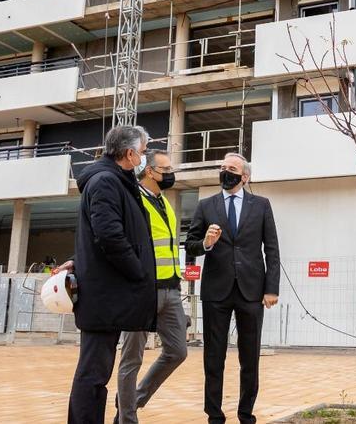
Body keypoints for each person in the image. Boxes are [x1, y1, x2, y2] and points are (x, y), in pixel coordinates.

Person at [62, 125, 158, 424]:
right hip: (104, 297)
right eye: (142, 153)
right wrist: (137, 270)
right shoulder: (106, 182)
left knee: (96, 372)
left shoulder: (117, 181)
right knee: (93, 373)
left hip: (108, 295)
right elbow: (109, 235)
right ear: (129, 154)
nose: (144, 158)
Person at [184, 152, 281, 424]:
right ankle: (214, 415)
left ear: (245, 176)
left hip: (252, 290)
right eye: (223, 166)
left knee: (249, 358)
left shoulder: (261, 205)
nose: (226, 171)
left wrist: (271, 288)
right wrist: (206, 242)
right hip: (216, 291)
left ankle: (246, 414)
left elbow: (271, 249)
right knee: (213, 357)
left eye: (232, 168)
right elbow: (190, 244)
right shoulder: (206, 205)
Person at [114, 149, 187, 424]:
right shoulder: (135, 200)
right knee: (131, 358)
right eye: (165, 170)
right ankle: (127, 419)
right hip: (143, 290)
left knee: (177, 352)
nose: (170, 175)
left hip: (171, 289)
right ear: (149, 171)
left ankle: (130, 401)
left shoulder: (164, 202)